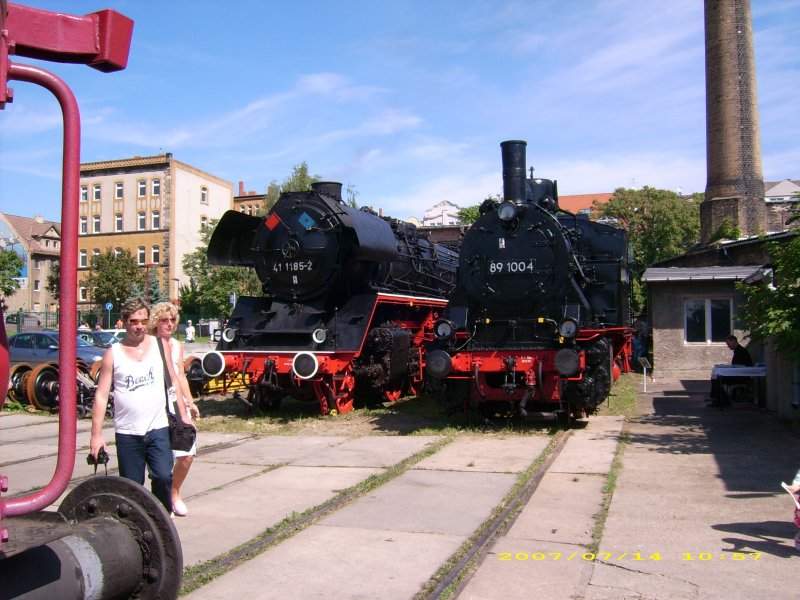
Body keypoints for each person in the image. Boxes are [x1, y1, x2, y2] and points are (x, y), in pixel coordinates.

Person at [89, 297, 194, 514]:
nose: (139, 327)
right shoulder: (113, 354)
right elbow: (101, 395)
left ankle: (162, 520)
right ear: (124, 322)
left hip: (158, 427)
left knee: (163, 476)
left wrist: (183, 415)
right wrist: (96, 436)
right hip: (128, 432)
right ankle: (134, 526)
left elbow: (173, 380)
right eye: (134, 321)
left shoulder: (159, 345)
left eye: (143, 321)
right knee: (132, 487)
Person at [149, 302, 200, 517]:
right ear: (155, 322)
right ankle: (159, 499)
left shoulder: (177, 345)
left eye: (171, 320)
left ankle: (174, 492)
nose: (169, 324)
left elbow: (180, 375)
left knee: (187, 453)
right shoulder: (149, 344)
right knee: (161, 456)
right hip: (155, 403)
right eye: (163, 320)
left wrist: (190, 401)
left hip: (175, 401)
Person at [708, 335, 754, 407]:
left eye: (728, 344)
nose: (728, 346)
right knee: (716, 379)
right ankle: (719, 400)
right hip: (739, 374)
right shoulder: (738, 350)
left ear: (733, 341)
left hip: (741, 376)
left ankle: (723, 400)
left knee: (717, 380)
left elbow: (739, 366)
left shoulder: (741, 351)